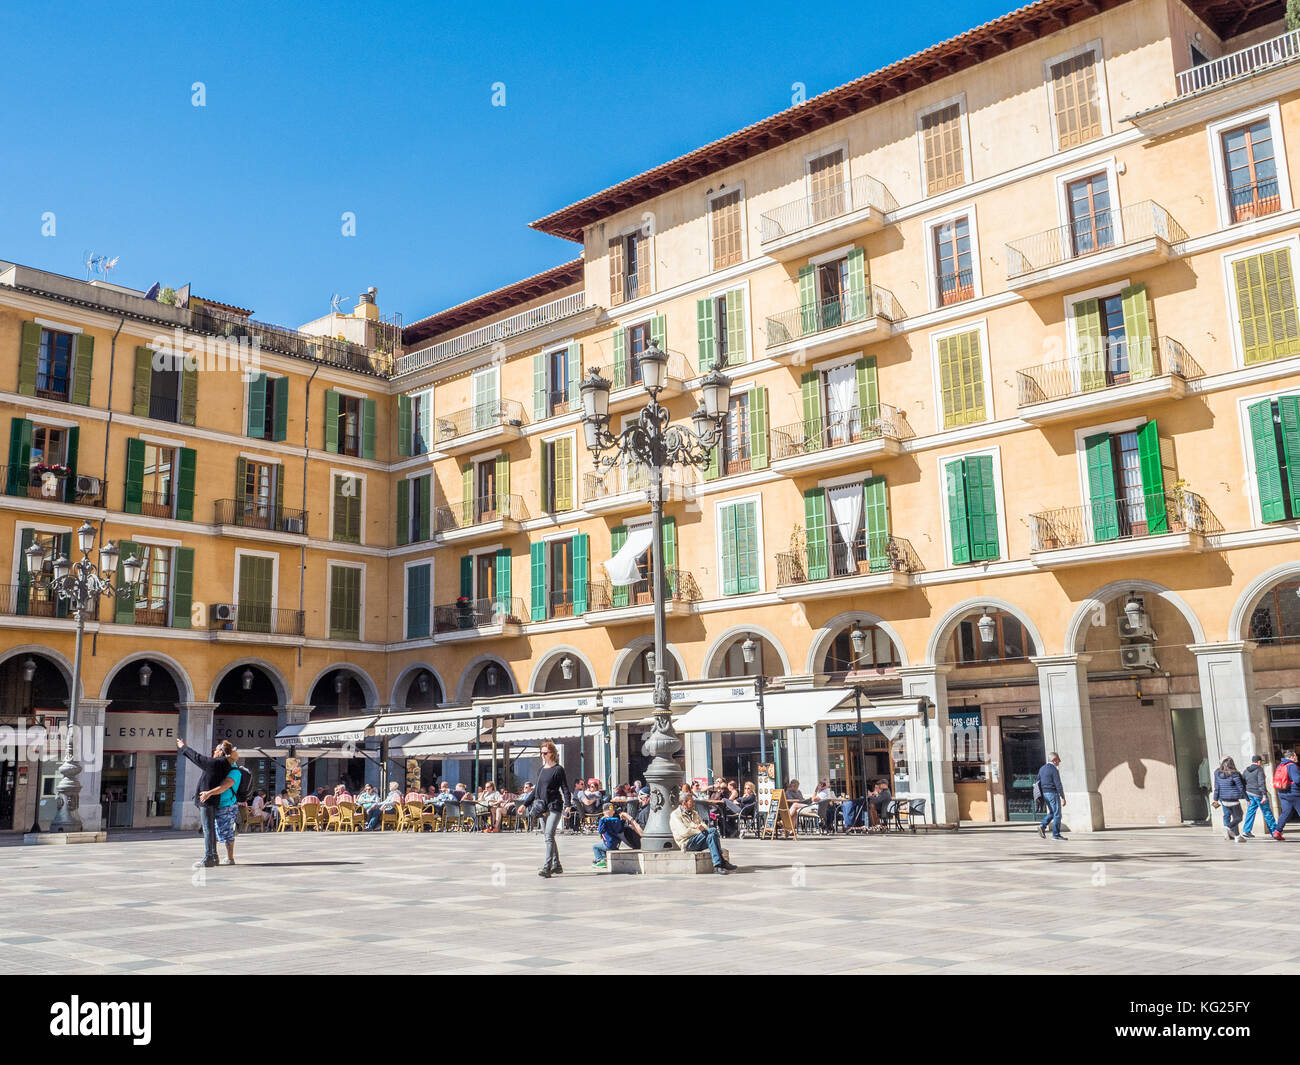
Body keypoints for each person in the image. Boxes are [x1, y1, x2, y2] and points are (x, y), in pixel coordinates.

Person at [176, 737, 238, 867]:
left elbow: (196, 757)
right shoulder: (225, 763)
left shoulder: (216, 763)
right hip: (212, 800)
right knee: (209, 828)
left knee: (208, 829)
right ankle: (213, 857)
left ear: (220, 752)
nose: (213, 752)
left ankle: (209, 857)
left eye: (215, 750)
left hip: (207, 800)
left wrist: (183, 747)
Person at [671, 791, 737, 874]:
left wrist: (701, 829)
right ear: (684, 803)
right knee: (712, 831)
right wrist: (699, 830)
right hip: (687, 843)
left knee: (711, 836)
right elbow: (684, 832)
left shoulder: (694, 813)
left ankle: (717, 866)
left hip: (699, 839)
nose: (694, 804)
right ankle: (722, 861)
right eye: (691, 802)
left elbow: (705, 826)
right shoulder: (676, 815)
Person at [199, 752, 246, 866]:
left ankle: (230, 858)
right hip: (216, 804)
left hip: (227, 805)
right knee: (214, 830)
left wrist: (208, 793)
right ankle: (212, 856)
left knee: (226, 831)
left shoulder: (234, 771)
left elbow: (224, 786)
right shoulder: (223, 769)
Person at [534, 740, 571, 878]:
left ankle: (547, 868)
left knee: (549, 836)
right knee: (548, 836)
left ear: (552, 754)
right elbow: (535, 790)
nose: (542, 755)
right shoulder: (540, 770)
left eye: (545, 753)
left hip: (554, 806)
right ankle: (557, 865)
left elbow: (565, 788)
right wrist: (525, 804)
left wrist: (568, 805)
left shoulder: (558, 769)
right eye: (541, 753)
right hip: (542, 807)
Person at [591, 802, 643, 868]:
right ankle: (603, 860)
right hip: (616, 844)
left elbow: (601, 831)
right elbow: (620, 829)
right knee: (602, 848)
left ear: (604, 812)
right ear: (613, 812)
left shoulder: (605, 821)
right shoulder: (617, 820)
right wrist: (623, 820)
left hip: (609, 844)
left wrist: (601, 820)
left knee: (595, 847)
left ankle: (600, 860)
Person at [1211, 756, 1247, 842]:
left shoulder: (1217, 772)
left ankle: (1235, 835)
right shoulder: (1234, 773)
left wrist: (1215, 799)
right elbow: (1240, 786)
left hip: (1222, 798)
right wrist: (1246, 797)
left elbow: (1217, 787)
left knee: (1227, 815)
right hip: (1232, 798)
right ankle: (1229, 829)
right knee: (1237, 817)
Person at [1241, 754, 1277, 839]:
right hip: (1259, 794)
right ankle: (1274, 831)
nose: (1261, 763)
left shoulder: (1246, 770)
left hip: (1250, 794)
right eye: (1260, 762)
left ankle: (1246, 830)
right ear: (1258, 762)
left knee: (1250, 812)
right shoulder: (1259, 769)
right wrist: (1264, 795)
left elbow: (1242, 781)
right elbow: (1261, 783)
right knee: (1267, 812)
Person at [1036, 753, 1066, 840]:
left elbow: (1037, 781)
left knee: (1052, 812)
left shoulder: (1042, 768)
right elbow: (1058, 784)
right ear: (1054, 760)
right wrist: (1063, 797)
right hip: (1053, 793)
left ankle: (1042, 826)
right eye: (1058, 760)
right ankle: (1056, 835)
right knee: (1057, 814)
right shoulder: (1053, 769)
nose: (1059, 762)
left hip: (1045, 794)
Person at [1272, 749, 1300, 841]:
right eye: (1296, 756)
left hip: (1282, 793)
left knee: (1285, 813)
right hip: (1295, 793)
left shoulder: (1280, 765)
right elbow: (1297, 780)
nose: (1297, 757)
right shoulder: (1292, 766)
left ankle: (1277, 831)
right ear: (1292, 757)